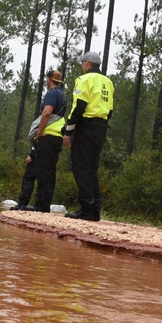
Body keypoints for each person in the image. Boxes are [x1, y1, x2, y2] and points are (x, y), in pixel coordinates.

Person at [63, 51, 114, 221]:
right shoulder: (108, 82)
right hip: (102, 127)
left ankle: (86, 208)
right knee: (92, 169)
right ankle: (95, 210)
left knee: (79, 166)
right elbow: (111, 109)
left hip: (86, 125)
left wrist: (68, 130)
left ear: (86, 63)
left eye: (81, 63)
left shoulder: (83, 80)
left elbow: (79, 106)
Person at [14, 70, 66, 212]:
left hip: (48, 137)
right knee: (38, 168)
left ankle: (41, 205)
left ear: (48, 79)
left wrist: (40, 131)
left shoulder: (52, 93)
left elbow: (47, 112)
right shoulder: (62, 95)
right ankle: (24, 203)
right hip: (55, 138)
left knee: (45, 171)